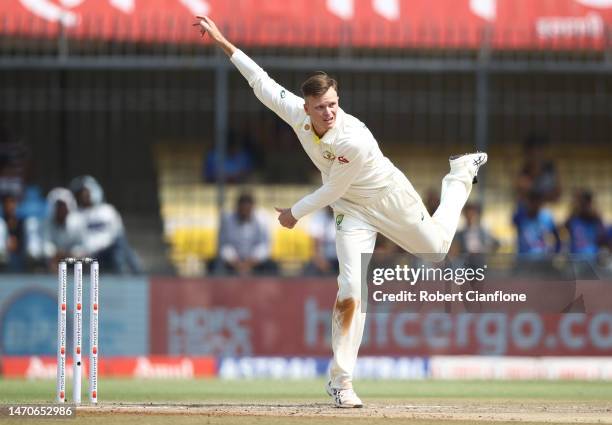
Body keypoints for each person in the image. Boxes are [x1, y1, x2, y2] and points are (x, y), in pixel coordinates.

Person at [195, 16, 487, 408]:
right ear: (307, 106)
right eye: (321, 107)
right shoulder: (299, 116)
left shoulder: (354, 137)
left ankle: (458, 175)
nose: (329, 112)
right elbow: (261, 83)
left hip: (388, 197)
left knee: (435, 250)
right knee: (351, 290)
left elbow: (332, 187)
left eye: (333, 104)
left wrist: (294, 213)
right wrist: (222, 41)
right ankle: (341, 382)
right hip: (352, 210)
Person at [214, 193, 277, 276]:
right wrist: (236, 263)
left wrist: (249, 263)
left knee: (273, 268)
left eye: (247, 209)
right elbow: (223, 245)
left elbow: (264, 246)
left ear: (252, 207)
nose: (244, 212)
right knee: (214, 266)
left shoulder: (262, 219)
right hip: (231, 263)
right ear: (237, 208)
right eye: (242, 209)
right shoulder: (227, 219)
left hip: (255, 263)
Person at [42, 188, 87, 271]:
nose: (61, 209)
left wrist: (69, 254)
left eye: (63, 206)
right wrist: (55, 253)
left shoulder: (78, 222)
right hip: (54, 262)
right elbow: (46, 245)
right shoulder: (46, 223)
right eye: (58, 206)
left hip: (74, 261)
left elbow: (83, 246)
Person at [303, 206, 339, 276]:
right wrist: (320, 261)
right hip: (324, 259)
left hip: (341, 259)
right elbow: (314, 245)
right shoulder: (318, 217)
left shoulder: (344, 216)